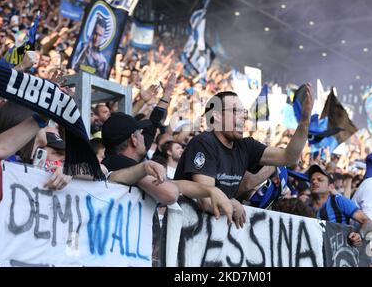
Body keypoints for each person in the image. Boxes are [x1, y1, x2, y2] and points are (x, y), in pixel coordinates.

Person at [174, 85, 313, 228]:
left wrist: (304, 122)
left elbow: (288, 157)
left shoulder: (245, 146)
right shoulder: (204, 143)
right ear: (216, 116)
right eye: (236, 111)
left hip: (211, 233)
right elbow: (207, 201)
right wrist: (233, 203)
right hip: (183, 229)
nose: (243, 117)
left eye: (243, 112)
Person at [101, 112, 234, 222]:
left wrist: (211, 191)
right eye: (140, 133)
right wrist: (210, 191)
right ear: (133, 139)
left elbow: (173, 184)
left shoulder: (116, 162)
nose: (144, 138)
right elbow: (170, 193)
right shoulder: (119, 163)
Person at [307, 164, 372, 246]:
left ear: (330, 187)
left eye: (320, 180)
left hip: (336, 253)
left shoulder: (339, 201)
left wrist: (360, 235)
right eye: (312, 180)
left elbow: (368, 222)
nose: (314, 182)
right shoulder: (305, 205)